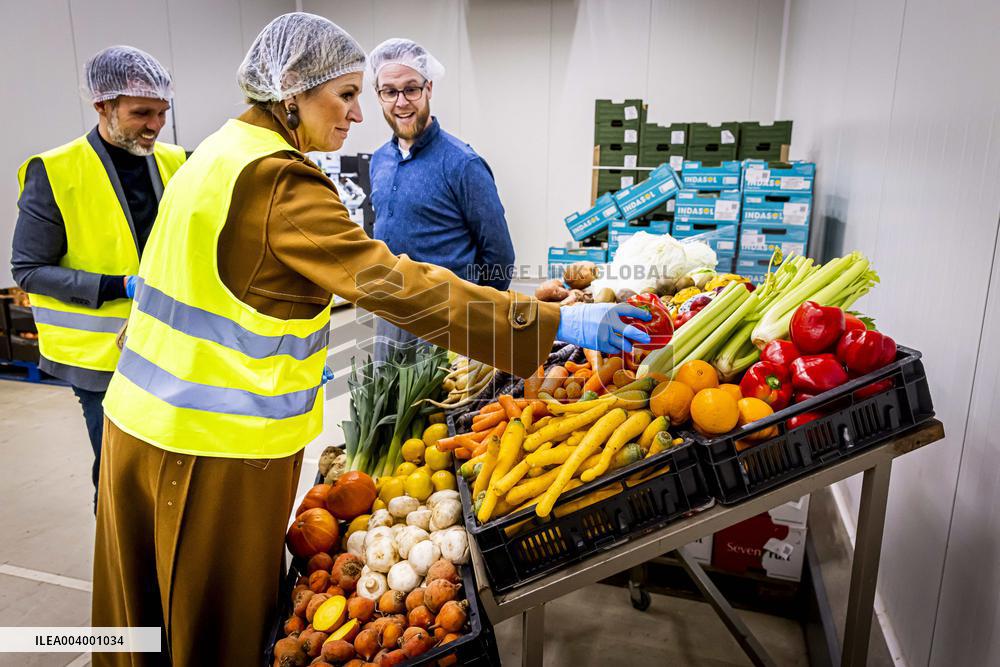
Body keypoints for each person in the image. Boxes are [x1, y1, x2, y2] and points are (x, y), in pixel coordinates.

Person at [92, 13, 649, 665]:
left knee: (138, 631)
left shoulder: (214, 154)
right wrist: (550, 324)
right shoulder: (278, 178)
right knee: (215, 636)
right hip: (205, 450)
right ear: (292, 91)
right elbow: (393, 281)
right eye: (349, 93)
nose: (362, 113)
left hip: (137, 428)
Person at [10, 46, 185, 511]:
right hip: (100, 359)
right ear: (103, 106)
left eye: (162, 113)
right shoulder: (56, 171)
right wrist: (117, 285)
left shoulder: (175, 163)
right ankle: (121, 572)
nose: (155, 125)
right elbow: (27, 269)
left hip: (171, 348)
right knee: (118, 474)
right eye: (141, 113)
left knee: (171, 468)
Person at [367, 38, 516, 360]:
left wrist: (479, 319)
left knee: (438, 406)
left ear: (429, 88)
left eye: (411, 89)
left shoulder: (462, 164)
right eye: (389, 92)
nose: (401, 102)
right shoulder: (379, 160)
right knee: (387, 404)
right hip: (389, 311)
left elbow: (499, 255)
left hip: (446, 318)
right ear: (378, 96)